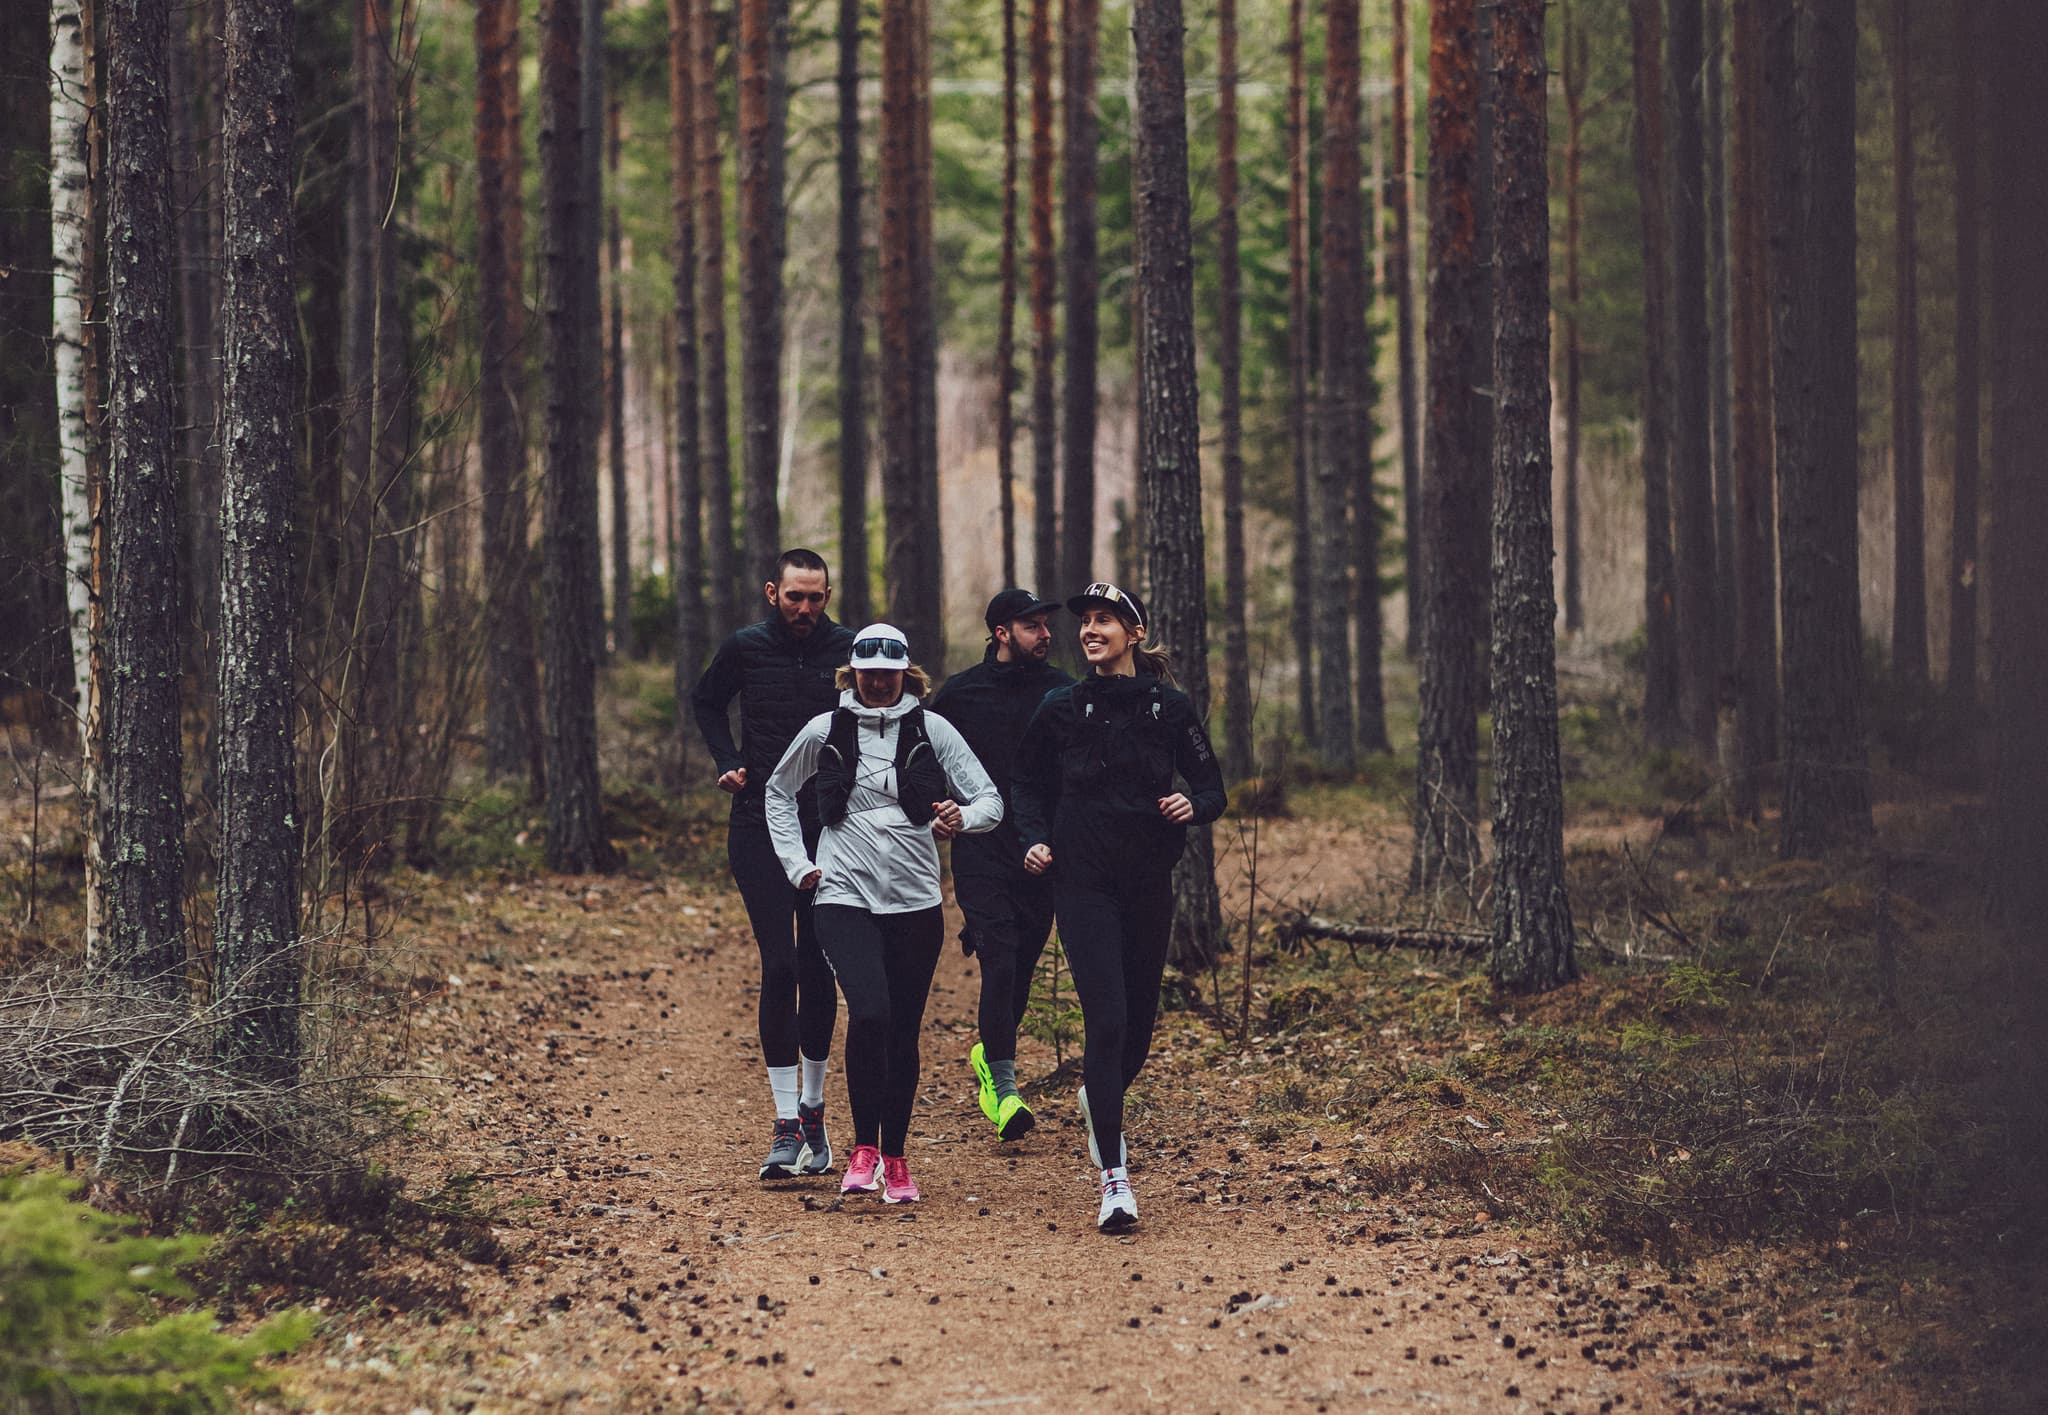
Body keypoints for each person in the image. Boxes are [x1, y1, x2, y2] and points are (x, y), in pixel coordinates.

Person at [1012, 582, 1227, 1232]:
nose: (1089, 630)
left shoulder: (1169, 706)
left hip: (1146, 882)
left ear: (1133, 632)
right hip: (1082, 882)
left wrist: (1195, 807)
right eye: (1086, 622)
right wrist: (1034, 838)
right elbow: (1024, 781)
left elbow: (1211, 783)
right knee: (1105, 1021)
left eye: (1104, 620)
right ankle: (1115, 1181)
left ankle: (1095, 1094)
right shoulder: (1060, 707)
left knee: (1136, 1027)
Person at [765, 624, 1002, 1203]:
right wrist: (799, 865)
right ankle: (861, 1148)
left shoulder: (933, 730)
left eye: (887, 674)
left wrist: (960, 820)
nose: (876, 683)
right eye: (866, 674)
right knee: (868, 1011)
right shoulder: (825, 730)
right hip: (842, 893)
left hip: (916, 900)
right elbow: (777, 791)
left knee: (902, 1029)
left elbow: (991, 801)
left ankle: (895, 1158)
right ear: (852, 674)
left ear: (905, 675)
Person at [690, 549, 855, 1179]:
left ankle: (814, 1109)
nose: (806, 609)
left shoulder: (848, 649)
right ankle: (785, 1122)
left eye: (816, 598)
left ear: (828, 594)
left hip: (828, 828)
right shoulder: (745, 647)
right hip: (758, 821)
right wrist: (725, 759)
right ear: (771, 592)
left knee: (818, 965)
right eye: (795, 597)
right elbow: (706, 701)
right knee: (779, 962)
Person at [930, 589, 1073, 1141]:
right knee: (1001, 956)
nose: (1045, 634)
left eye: (1045, 625)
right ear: (1001, 633)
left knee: (1023, 967)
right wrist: (937, 809)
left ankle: (989, 1054)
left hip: (1040, 849)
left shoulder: (1062, 689)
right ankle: (1006, 1091)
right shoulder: (962, 693)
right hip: (980, 846)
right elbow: (922, 755)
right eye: (1033, 626)